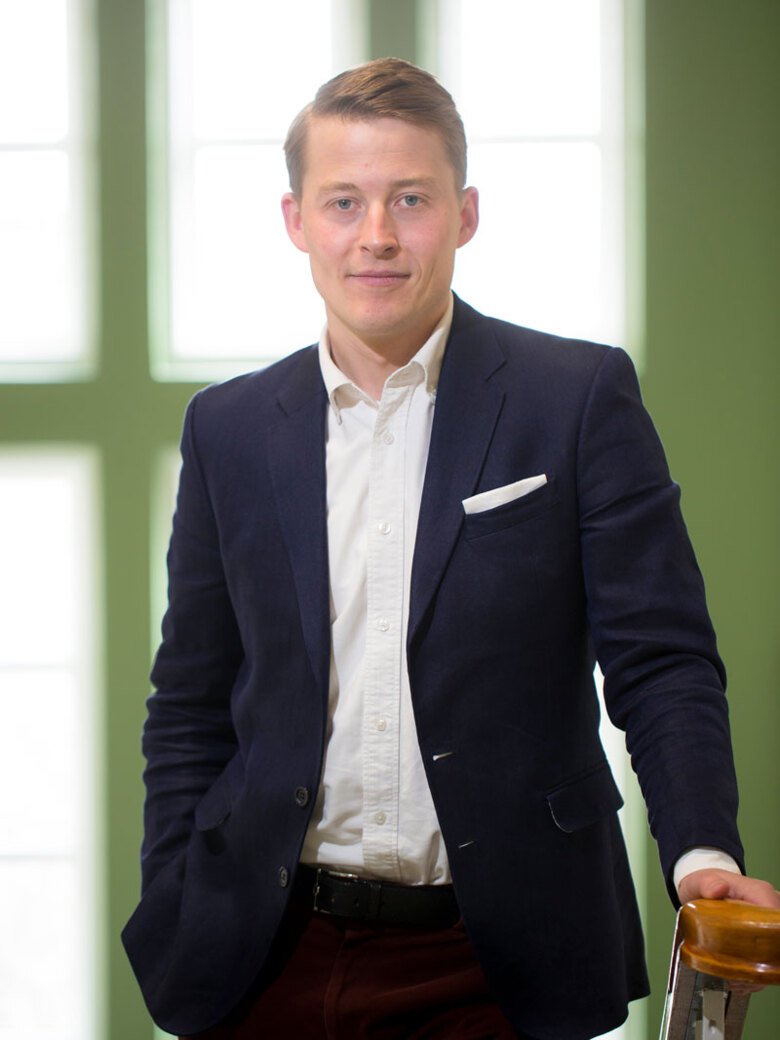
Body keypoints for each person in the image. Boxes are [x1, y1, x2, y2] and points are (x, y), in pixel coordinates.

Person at [122, 58, 778, 1040]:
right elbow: (190, 700)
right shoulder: (227, 428)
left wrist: (698, 851)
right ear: (297, 221)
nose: (376, 234)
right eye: (343, 201)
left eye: (410, 199)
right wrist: (175, 877)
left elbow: (661, 659)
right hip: (264, 952)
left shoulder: (577, 398)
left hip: (495, 960)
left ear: (465, 213)